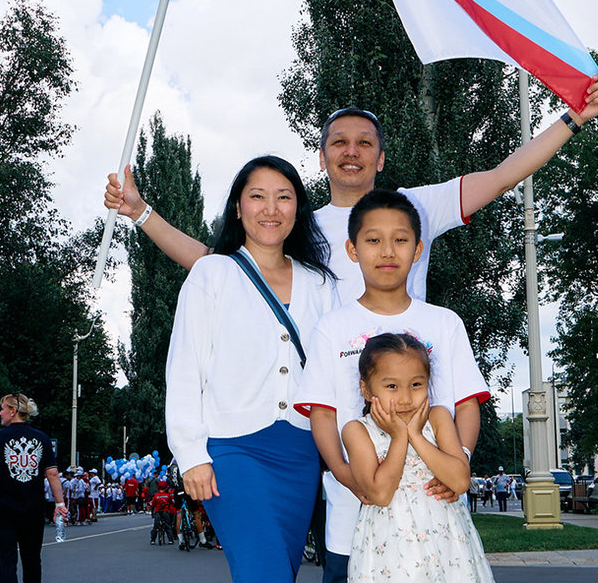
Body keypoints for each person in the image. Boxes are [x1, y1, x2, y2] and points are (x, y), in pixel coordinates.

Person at [103, 75, 598, 303]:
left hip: (404, 388)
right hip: (326, 401)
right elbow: (212, 262)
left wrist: (573, 118)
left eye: (364, 143)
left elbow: (502, 176)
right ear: (322, 157)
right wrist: (141, 212)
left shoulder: (416, 206)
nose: (351, 151)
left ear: (380, 158)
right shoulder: (296, 226)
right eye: (339, 142)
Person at [294, 190, 489, 583]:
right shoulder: (332, 327)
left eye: (400, 239)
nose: (387, 251)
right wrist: (346, 476)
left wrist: (459, 462)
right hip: (358, 519)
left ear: (417, 249)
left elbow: (467, 404)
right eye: (373, 240)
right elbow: (323, 413)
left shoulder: (444, 323)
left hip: (441, 521)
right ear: (352, 250)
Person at [165, 155, 337, 582]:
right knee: (265, 572)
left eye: (284, 197)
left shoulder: (320, 282)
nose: (271, 209)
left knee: (279, 570)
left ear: (298, 208)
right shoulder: (212, 273)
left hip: (302, 453)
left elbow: (334, 373)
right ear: (238, 208)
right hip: (232, 451)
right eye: (257, 196)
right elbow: (185, 369)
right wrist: (190, 455)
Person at [342, 333, 494, 582]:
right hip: (390, 545)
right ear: (366, 390)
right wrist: (399, 437)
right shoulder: (358, 431)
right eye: (392, 386)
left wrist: (416, 435)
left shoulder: (438, 418)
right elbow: (380, 494)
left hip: (447, 541)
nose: (405, 398)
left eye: (416, 384)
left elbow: (460, 481)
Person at [0, 393, 69, 583]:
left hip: (4, 506)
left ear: (13, 411)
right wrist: (59, 503)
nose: (0, 413)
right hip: (33, 507)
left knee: (7, 559)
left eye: (3, 409)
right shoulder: (42, 438)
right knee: (32, 559)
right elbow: (52, 473)